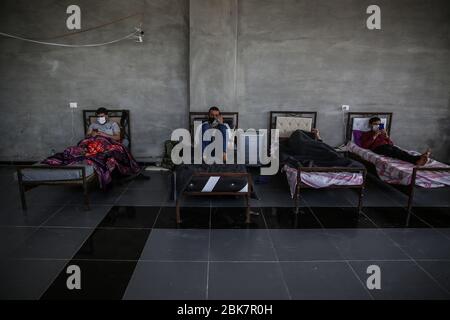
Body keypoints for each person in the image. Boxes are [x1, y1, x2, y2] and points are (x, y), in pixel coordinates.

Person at [361, 117, 430, 166]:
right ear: (371, 125)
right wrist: (375, 135)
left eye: (379, 124)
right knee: (395, 152)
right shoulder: (366, 134)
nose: (377, 126)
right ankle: (416, 160)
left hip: (387, 146)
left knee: (400, 151)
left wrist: (386, 135)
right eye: (375, 124)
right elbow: (365, 146)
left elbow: (391, 144)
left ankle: (419, 158)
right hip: (378, 148)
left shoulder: (382, 133)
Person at [281, 128, 363, 168]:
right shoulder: (296, 136)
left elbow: (320, 144)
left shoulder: (313, 139)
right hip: (304, 149)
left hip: (321, 150)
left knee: (330, 153)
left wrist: (317, 135)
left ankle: (339, 160)